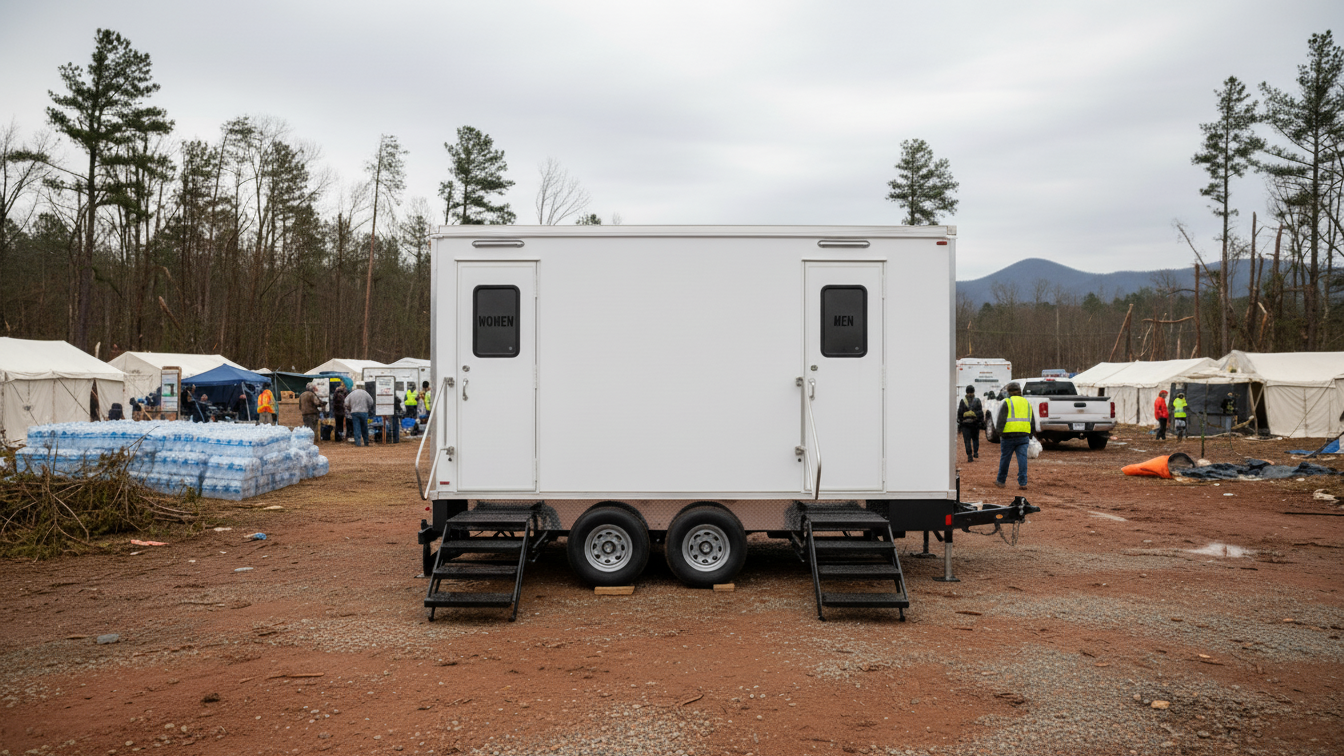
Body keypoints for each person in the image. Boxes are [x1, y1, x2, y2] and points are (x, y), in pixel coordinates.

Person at [994, 382, 1038, 490]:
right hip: (1023, 436)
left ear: (1009, 392)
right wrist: (1031, 434)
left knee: (1005, 458)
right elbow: (1032, 420)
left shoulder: (1007, 402)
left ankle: (1001, 481)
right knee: (1022, 459)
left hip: (1008, 436)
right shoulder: (1027, 403)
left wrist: (999, 433)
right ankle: (1023, 483)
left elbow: (1001, 419)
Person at [956, 385, 984, 463]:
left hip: (965, 424)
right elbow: (980, 412)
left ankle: (969, 456)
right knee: (975, 439)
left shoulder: (962, 401)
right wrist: (981, 421)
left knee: (967, 440)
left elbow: (960, 413)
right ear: (974, 391)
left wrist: (960, 422)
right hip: (975, 424)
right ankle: (975, 452)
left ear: (966, 392)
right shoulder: (977, 400)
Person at [345, 383, 374, 447]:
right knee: (365, 427)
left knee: (356, 427)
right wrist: (367, 407)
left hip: (354, 412)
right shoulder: (365, 393)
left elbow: (346, 403)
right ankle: (366, 442)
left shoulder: (351, 394)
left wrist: (350, 408)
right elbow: (371, 402)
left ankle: (358, 443)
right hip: (364, 412)